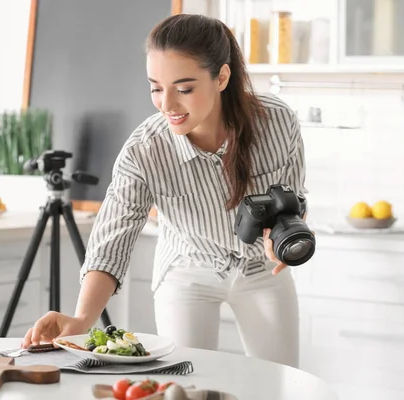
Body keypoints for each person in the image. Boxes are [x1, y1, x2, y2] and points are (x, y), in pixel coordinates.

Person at [21, 13, 307, 368]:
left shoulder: (277, 121)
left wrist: (279, 241)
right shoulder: (146, 149)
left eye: (184, 89)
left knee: (279, 381)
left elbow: (294, 199)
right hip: (188, 270)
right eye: (156, 87)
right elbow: (113, 239)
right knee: (187, 382)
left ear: (221, 77)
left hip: (262, 271)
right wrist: (81, 320)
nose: (167, 104)